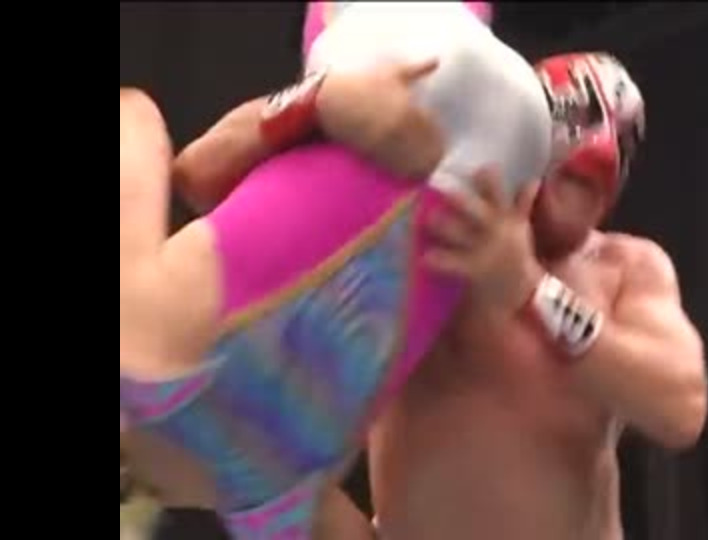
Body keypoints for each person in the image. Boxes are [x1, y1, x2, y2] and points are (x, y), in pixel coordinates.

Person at [121, 3, 552, 539]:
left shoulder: (266, 502)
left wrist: (320, 99)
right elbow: (171, 151)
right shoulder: (140, 347)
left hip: (500, 153)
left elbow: (196, 169)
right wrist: (316, 98)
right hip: (415, 76)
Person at [366, 52, 708, 540]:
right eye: (568, 175)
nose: (573, 198)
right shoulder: (431, 237)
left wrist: (530, 291)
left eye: (589, 183)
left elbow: (681, 408)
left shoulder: (623, 268)